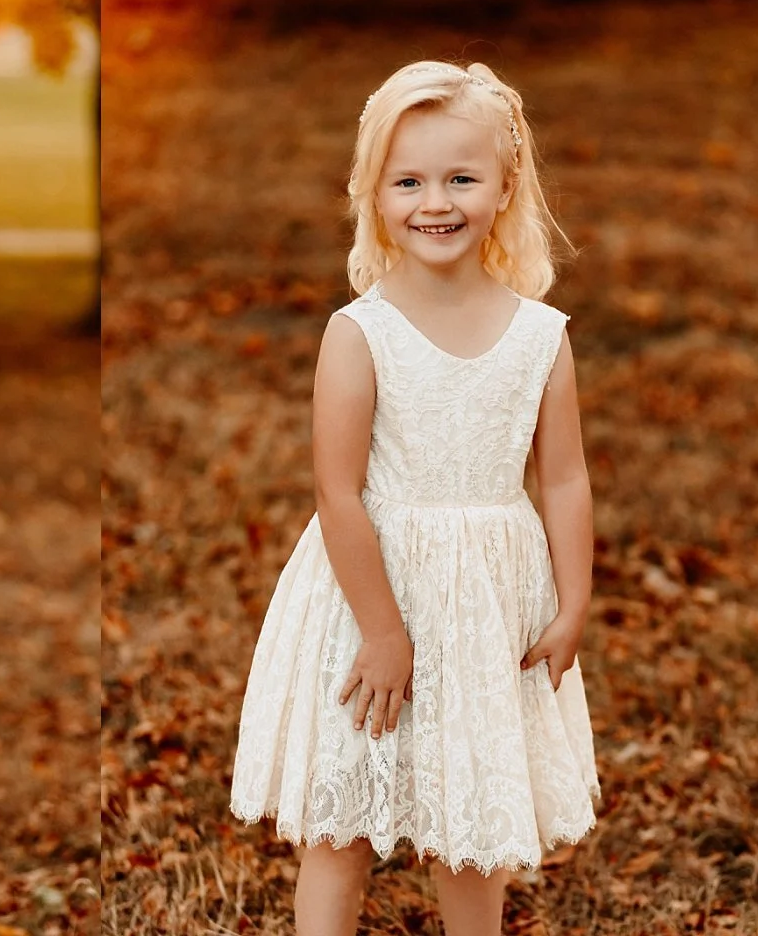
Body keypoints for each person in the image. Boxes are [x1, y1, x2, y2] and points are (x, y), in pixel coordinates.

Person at [229, 61, 600, 935]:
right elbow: (338, 490)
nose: (436, 202)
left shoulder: (541, 337)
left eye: (461, 179)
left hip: (486, 605)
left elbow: (564, 477)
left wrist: (574, 599)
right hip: (370, 592)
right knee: (343, 822)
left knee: (467, 825)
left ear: (505, 187)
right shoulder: (361, 332)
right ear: (376, 193)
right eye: (410, 181)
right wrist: (385, 633)